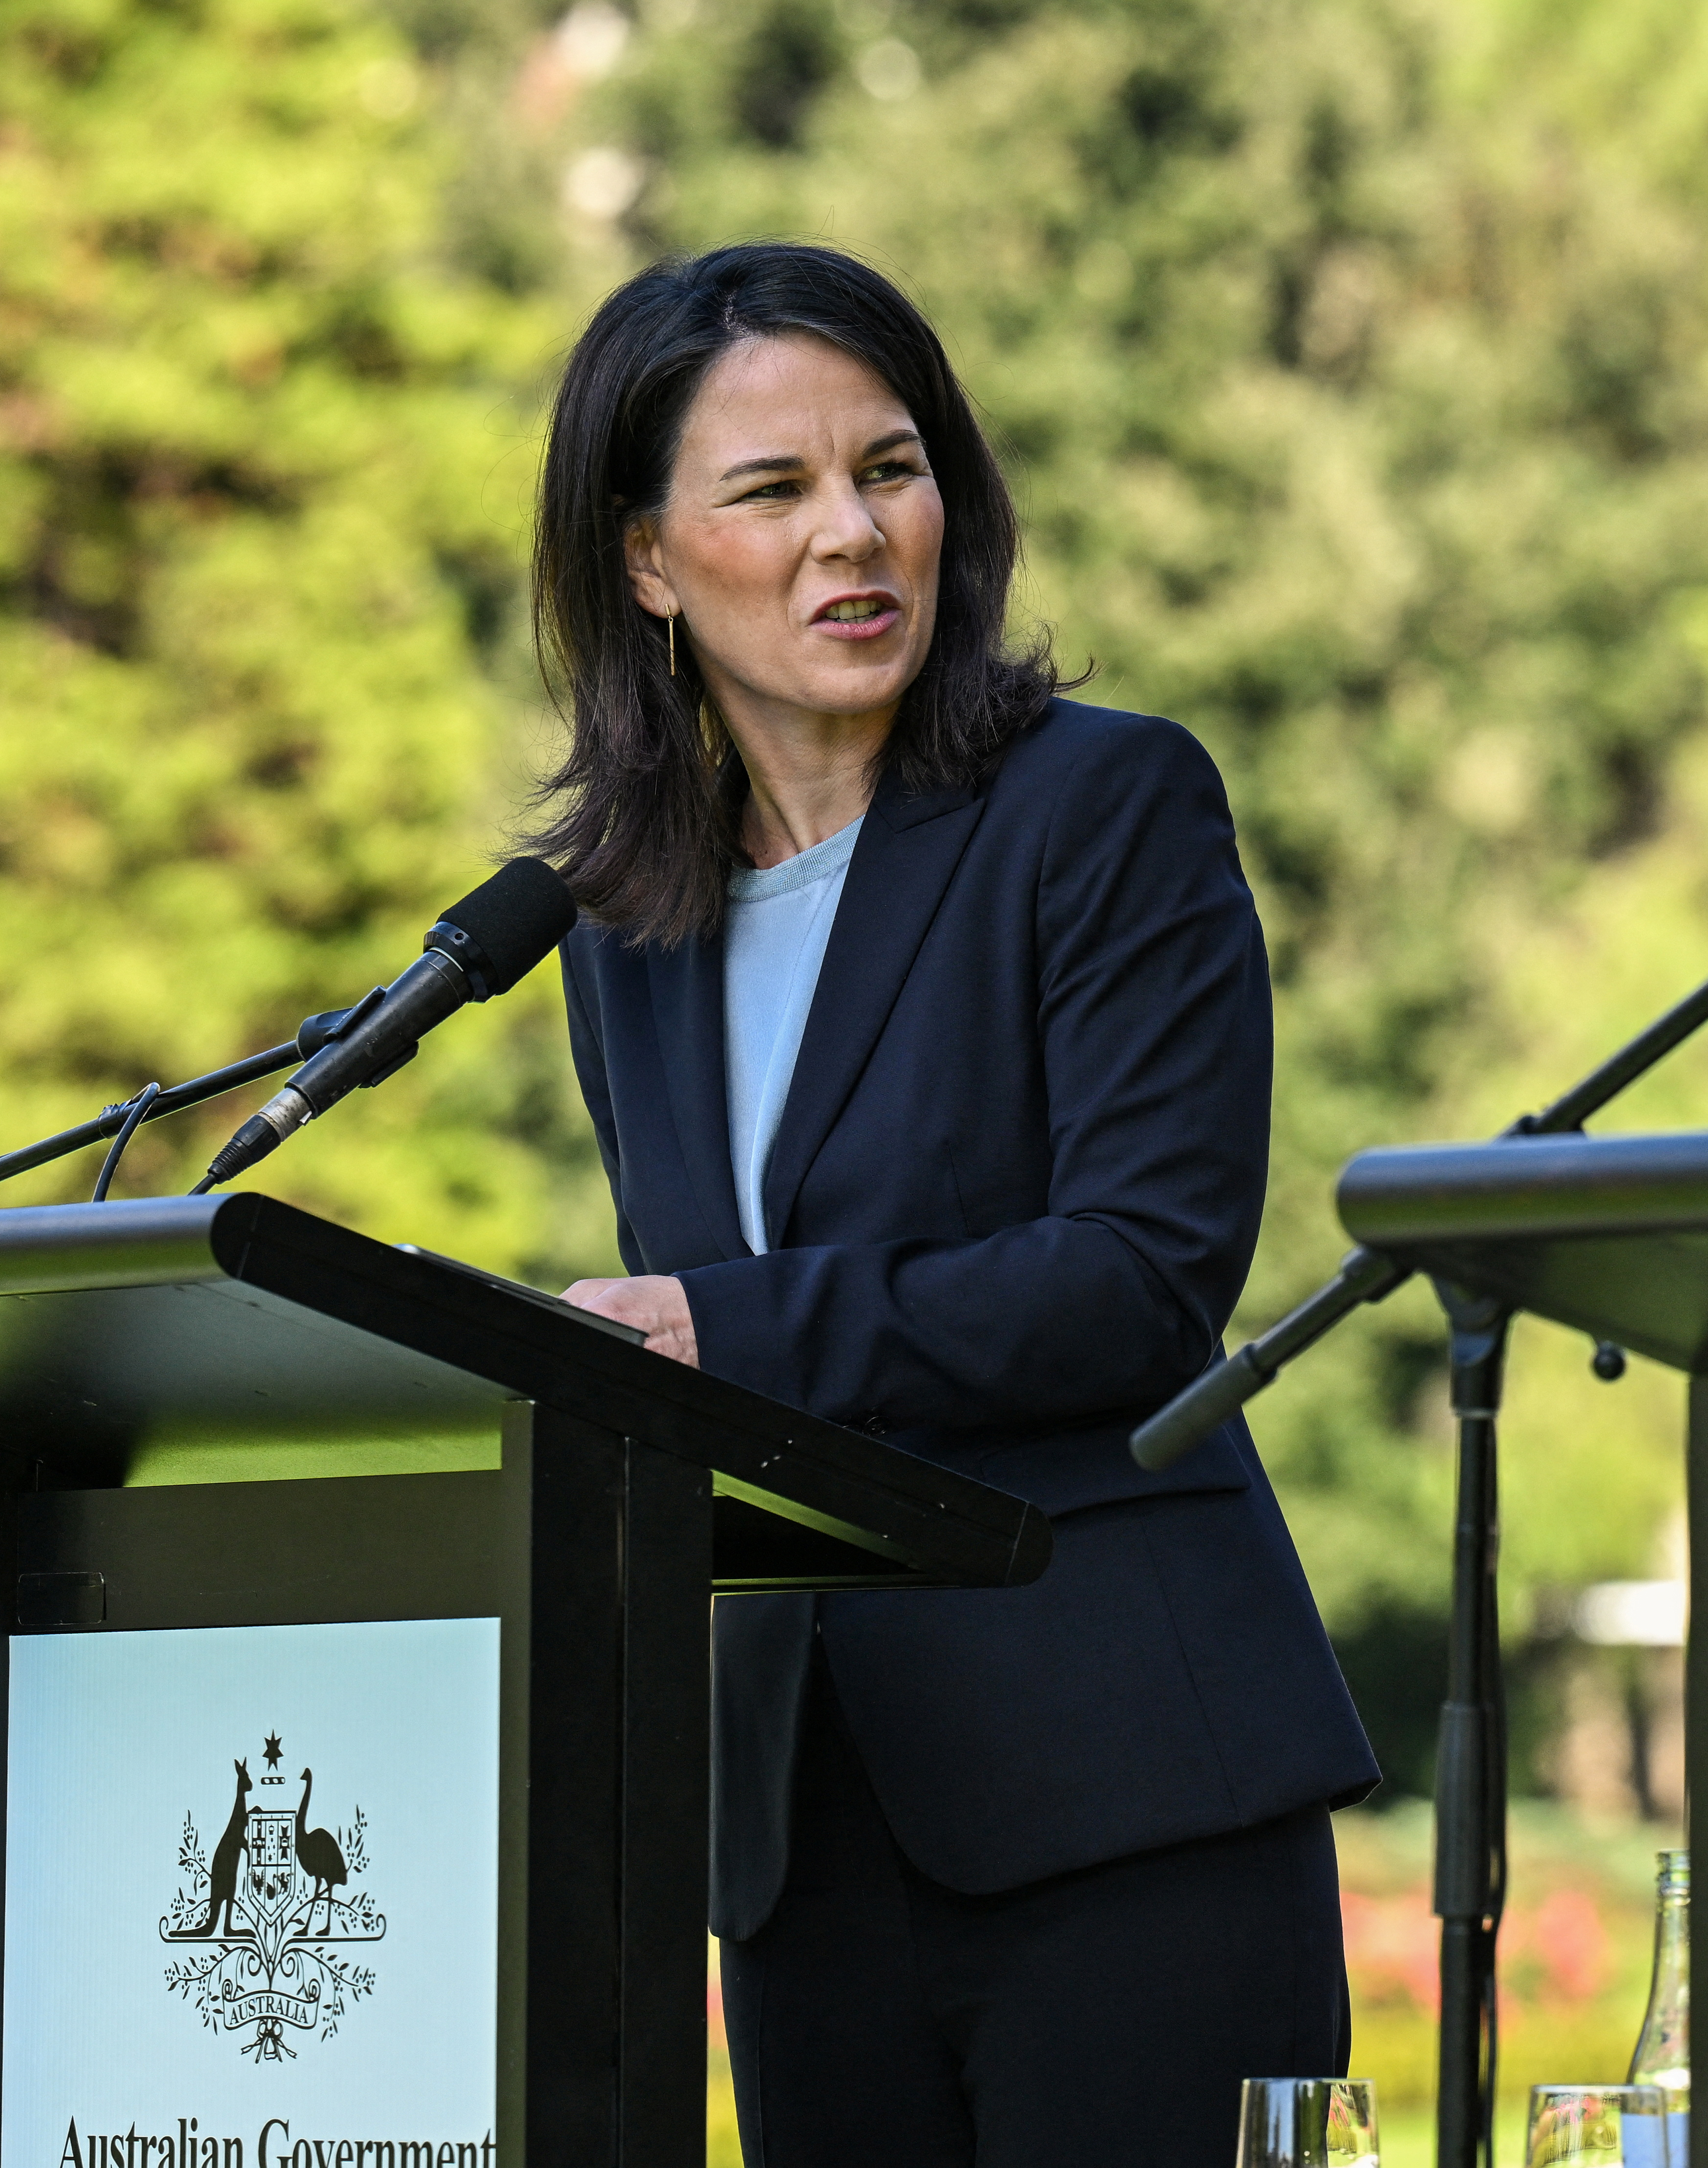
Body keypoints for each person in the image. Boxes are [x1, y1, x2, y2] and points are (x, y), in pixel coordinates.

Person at [531, 241, 1378, 2165]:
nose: (853, 531)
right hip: (806, 1827)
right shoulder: (624, 930)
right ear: (647, 561)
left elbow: (1142, 1277)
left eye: (890, 468)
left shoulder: (1106, 807)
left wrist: (717, 1335)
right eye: (772, 490)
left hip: (1126, 1794)